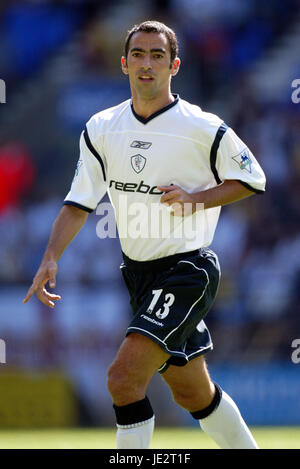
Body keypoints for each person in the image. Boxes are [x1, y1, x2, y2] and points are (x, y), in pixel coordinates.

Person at [24, 20, 266, 449]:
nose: (147, 64)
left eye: (157, 55)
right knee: (194, 393)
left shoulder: (202, 126)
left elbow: (252, 178)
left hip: (188, 270)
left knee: (122, 379)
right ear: (123, 64)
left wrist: (196, 198)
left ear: (174, 65)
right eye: (138, 54)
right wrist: (50, 257)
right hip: (138, 274)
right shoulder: (101, 127)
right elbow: (78, 202)